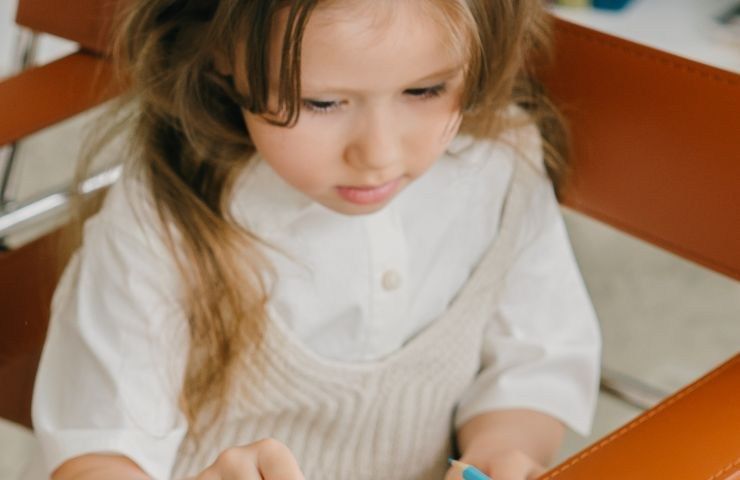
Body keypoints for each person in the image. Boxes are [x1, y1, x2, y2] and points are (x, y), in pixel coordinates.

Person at [30, 0, 601, 479]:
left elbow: (535, 363)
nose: (378, 154)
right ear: (222, 56)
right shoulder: (165, 216)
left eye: (426, 90)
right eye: (321, 102)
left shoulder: (503, 168)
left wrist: (501, 452)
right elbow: (98, 449)